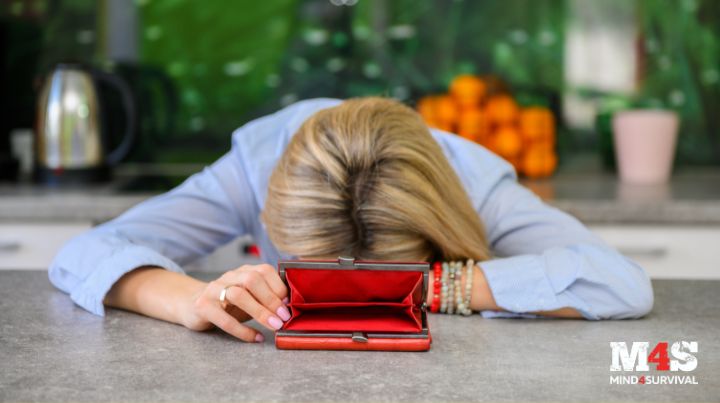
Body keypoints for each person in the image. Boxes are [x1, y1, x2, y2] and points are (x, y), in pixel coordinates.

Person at [49, 97, 654, 343]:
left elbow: (621, 281)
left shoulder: (475, 181)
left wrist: (430, 285)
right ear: (269, 209)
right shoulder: (255, 167)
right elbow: (82, 251)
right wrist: (190, 298)